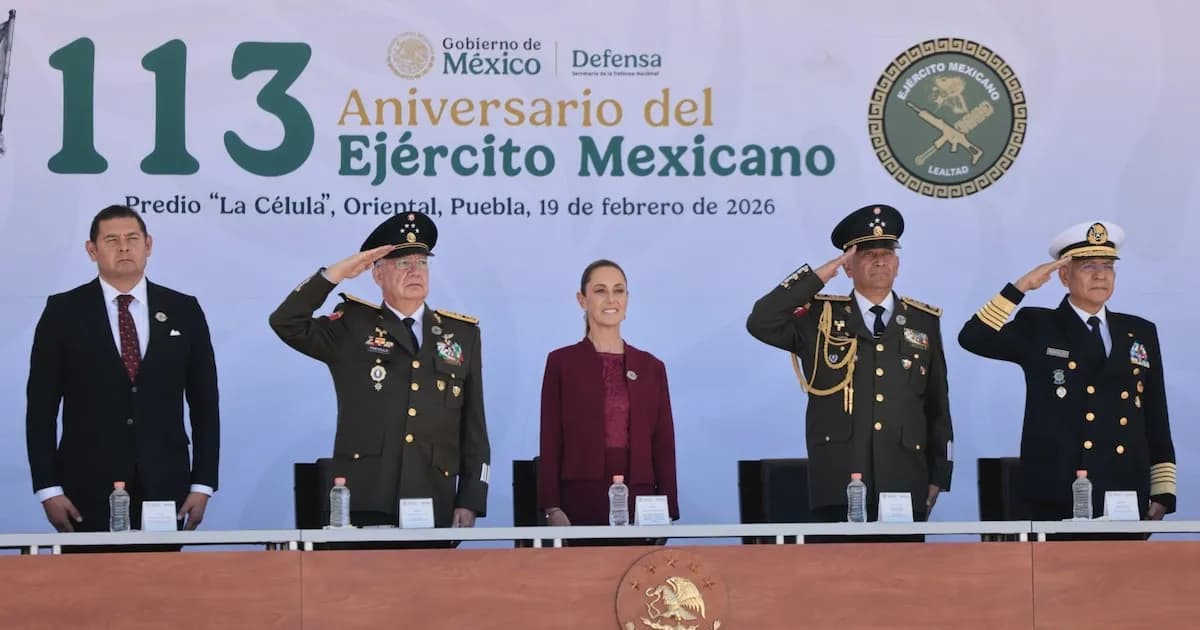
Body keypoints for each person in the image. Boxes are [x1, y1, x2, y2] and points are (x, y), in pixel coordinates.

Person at [269, 212, 489, 529]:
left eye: (422, 262)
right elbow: (286, 322)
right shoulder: (352, 324)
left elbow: (474, 426)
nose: (415, 271)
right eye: (402, 263)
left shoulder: (462, 334)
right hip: (364, 499)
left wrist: (470, 499)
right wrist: (334, 275)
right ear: (377, 275)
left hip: (433, 500)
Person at [746, 204, 953, 530]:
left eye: (887, 253)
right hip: (837, 482)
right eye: (868, 254)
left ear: (898, 264)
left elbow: (937, 405)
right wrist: (815, 278)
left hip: (904, 481)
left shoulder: (923, 322)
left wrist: (939, 475)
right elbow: (761, 321)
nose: (880, 260)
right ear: (848, 266)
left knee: (905, 579)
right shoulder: (818, 318)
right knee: (838, 578)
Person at [958, 221, 1175, 528]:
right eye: (1088, 266)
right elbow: (973, 337)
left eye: (1108, 266)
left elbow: (1155, 414)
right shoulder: (1039, 325)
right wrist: (1020, 287)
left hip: (1126, 490)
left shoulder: (1139, 331)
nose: (1101, 275)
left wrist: (1162, 492)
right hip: (1059, 492)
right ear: (1064, 275)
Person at [26, 205, 219, 534]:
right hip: (84, 486)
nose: (124, 247)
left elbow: (204, 405)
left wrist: (202, 484)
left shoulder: (184, 310)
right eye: (112, 240)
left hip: (165, 485)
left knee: (161, 583)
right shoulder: (62, 312)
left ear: (149, 245)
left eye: (132, 238)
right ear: (92, 250)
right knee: (91, 584)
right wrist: (49, 489)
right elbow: (41, 409)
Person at [538, 260, 680, 538]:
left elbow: (664, 443)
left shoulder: (651, 367)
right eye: (600, 290)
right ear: (582, 300)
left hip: (641, 501)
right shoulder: (562, 362)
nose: (611, 299)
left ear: (628, 299)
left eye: (619, 290)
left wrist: (668, 509)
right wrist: (552, 506)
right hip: (579, 499)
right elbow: (550, 438)